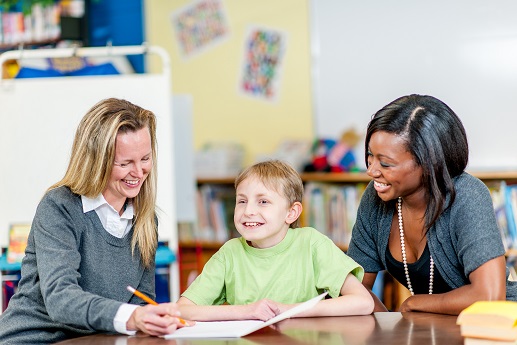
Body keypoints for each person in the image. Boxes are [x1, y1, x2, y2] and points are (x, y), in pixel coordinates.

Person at [0, 98, 187, 344]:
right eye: (125, 163)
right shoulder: (59, 206)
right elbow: (61, 299)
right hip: (35, 339)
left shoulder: (145, 220)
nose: (139, 172)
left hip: (96, 340)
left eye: (145, 159)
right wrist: (133, 317)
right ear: (96, 162)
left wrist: (154, 319)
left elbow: (142, 300)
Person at [347, 94, 517, 315]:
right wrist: (386, 325)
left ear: (428, 163)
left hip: (496, 327)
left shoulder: (467, 195)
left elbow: (490, 296)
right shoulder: (376, 198)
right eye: (370, 156)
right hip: (431, 329)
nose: (371, 171)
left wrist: (414, 303)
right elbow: (353, 288)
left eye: (386, 163)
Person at [177, 160, 374, 320]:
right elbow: (182, 310)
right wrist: (247, 311)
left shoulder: (312, 244)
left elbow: (363, 301)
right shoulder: (229, 254)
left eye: (263, 202)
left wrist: (286, 310)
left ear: (291, 212)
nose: (249, 211)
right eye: (242, 201)